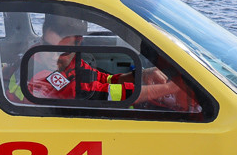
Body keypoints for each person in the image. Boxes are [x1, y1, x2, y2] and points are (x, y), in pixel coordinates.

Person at [24, 15, 176, 103]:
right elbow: (104, 93)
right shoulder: (39, 75)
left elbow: (103, 79)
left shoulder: (68, 63)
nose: (53, 57)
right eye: (48, 47)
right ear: (42, 39)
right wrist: (170, 89)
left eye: (63, 51)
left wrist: (141, 75)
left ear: (78, 43)